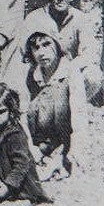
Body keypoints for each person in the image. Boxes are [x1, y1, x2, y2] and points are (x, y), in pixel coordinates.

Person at [3, 0, 102, 104]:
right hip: (40, 75)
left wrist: (66, 70)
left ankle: (73, 108)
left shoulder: (81, 19)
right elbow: (21, 53)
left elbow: (90, 54)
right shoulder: (34, 18)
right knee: (17, 75)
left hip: (68, 76)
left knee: (93, 75)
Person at [24, 31, 90, 180]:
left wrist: (75, 154)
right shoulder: (31, 75)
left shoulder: (70, 73)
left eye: (46, 45)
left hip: (63, 139)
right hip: (38, 140)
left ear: (57, 45)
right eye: (36, 47)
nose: (41, 52)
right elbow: (22, 114)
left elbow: (79, 117)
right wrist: (29, 145)